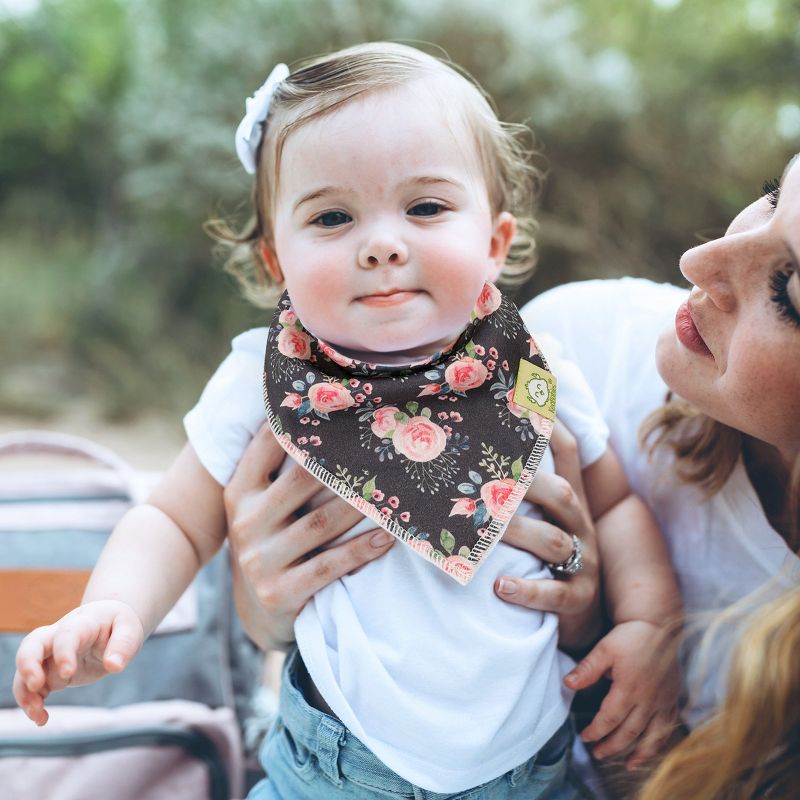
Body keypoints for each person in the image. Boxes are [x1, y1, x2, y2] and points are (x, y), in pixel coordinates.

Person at [12, 42, 680, 799]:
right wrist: (112, 604)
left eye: (426, 207)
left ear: (494, 243)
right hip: (332, 771)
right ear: (276, 263)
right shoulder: (268, 381)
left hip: (531, 766)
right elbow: (173, 518)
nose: (383, 244)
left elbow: (618, 503)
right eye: (333, 217)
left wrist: (649, 625)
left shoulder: (533, 366)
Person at [223, 147, 800, 794]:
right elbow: (218, 555)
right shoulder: (577, 341)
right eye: (773, 196)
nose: (700, 260)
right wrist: (267, 605)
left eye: (791, 290)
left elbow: (613, 509)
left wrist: (625, 627)